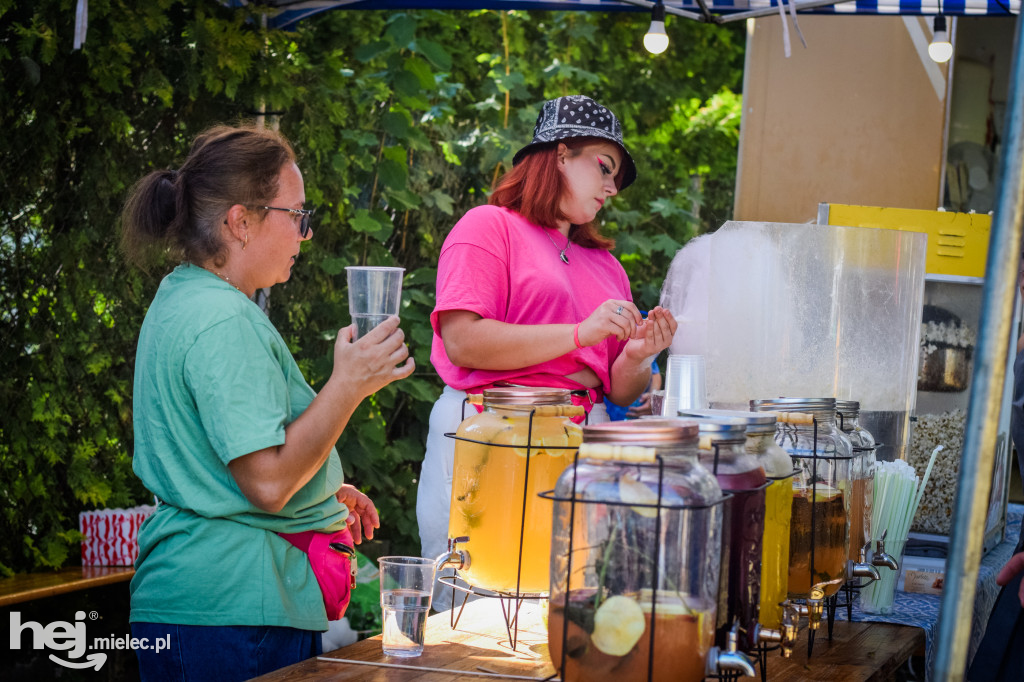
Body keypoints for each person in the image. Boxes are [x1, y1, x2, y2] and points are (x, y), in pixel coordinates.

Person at [120, 125, 414, 681]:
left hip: (203, 603)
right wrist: (347, 385)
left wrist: (322, 490)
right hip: (233, 611)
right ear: (240, 222)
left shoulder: (181, 294)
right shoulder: (225, 319)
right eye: (297, 215)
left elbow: (220, 463)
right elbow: (267, 484)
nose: (305, 236)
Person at [416, 95, 677, 609]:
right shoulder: (488, 225)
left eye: (616, 180)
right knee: (474, 606)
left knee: (567, 607)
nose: (610, 187)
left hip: (578, 441)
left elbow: (616, 388)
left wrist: (638, 357)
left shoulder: (606, 265)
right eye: (605, 167)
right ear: (559, 154)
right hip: (489, 432)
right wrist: (580, 332)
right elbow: (463, 340)